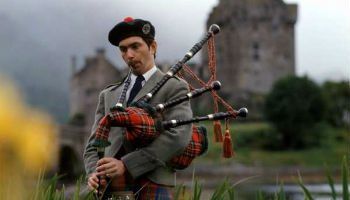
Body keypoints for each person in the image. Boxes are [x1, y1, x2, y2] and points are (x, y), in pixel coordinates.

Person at [83, 17, 193, 199]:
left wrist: (126, 165)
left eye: (135, 46)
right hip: (110, 189)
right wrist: (94, 173)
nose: (129, 55)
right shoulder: (109, 94)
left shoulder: (174, 87)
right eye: (123, 49)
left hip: (152, 186)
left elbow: (179, 136)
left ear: (153, 47)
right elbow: (93, 145)